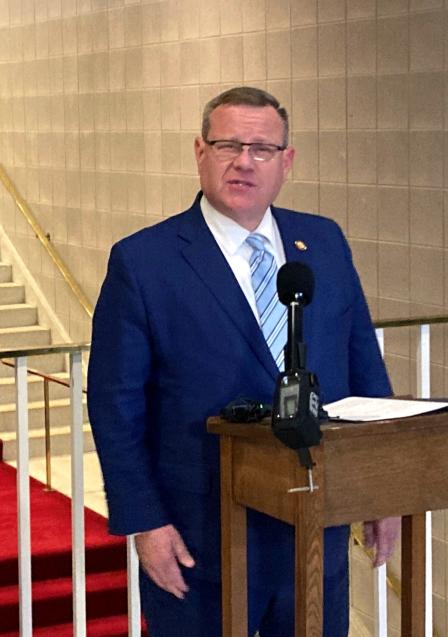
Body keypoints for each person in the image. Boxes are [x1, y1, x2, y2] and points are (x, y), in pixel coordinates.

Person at [87, 86, 399, 636]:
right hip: (200, 534)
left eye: (262, 149)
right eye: (228, 144)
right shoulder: (144, 260)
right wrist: (145, 521)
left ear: (287, 162)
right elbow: (117, 405)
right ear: (199, 152)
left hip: (313, 526)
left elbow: (364, 372)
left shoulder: (322, 243)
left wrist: (382, 490)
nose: (244, 162)